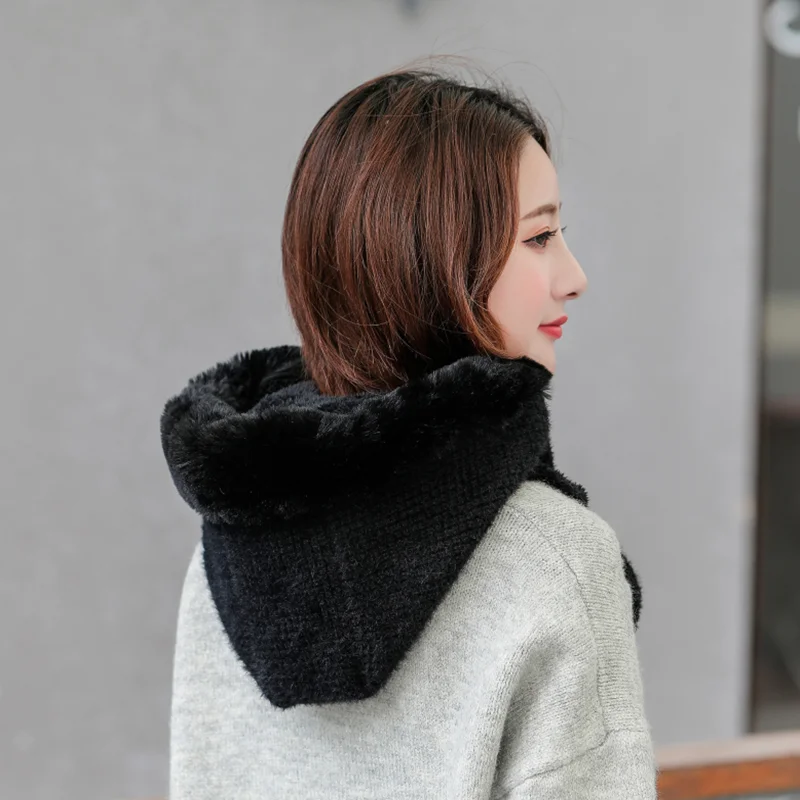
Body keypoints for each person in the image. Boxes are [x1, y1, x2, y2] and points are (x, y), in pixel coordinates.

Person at [160, 62, 657, 799]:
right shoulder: (555, 556)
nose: (573, 275)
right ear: (431, 261)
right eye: (541, 237)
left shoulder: (232, 547)